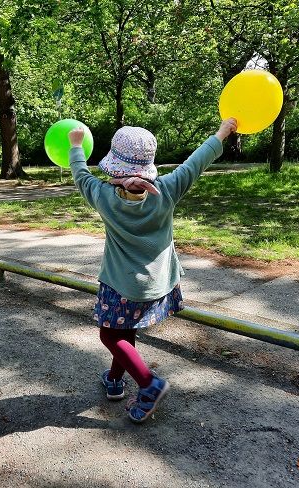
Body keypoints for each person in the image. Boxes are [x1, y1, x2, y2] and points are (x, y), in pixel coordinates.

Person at [68, 118, 237, 423]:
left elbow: (80, 174)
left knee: (110, 335)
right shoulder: (169, 189)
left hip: (121, 286)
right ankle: (115, 380)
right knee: (125, 328)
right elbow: (196, 162)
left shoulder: (103, 196)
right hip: (158, 284)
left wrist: (77, 145)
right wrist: (222, 133)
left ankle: (149, 384)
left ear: (114, 168)